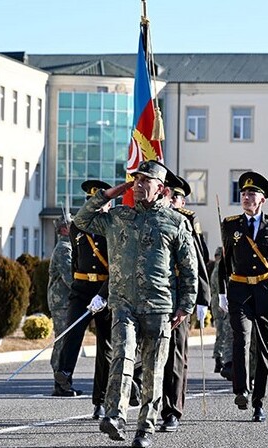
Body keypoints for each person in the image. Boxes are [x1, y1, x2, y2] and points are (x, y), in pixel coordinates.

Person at [74, 160, 198, 448]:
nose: (140, 185)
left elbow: (189, 270)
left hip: (158, 306)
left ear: (162, 188)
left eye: (146, 181)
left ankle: (145, 429)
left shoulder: (176, 222)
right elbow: (81, 221)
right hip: (124, 304)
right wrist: (111, 193)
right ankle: (116, 417)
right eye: (137, 180)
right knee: (122, 357)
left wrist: (186, 305)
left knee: (154, 370)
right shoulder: (118, 216)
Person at [217, 171, 268, 423]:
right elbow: (225, 263)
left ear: (262, 199)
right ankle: (241, 390)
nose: (246, 197)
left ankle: (259, 401)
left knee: (265, 349)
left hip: (266, 293)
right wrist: (221, 293)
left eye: (252, 193)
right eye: (244, 193)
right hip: (239, 291)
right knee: (241, 339)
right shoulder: (230, 225)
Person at [53, 180, 115, 418]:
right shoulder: (78, 227)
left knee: (105, 347)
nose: (97, 207)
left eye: (101, 203)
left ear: (109, 205)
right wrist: (77, 286)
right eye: (92, 202)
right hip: (81, 287)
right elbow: (76, 260)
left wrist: (104, 294)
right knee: (72, 331)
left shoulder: (113, 227)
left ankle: (100, 400)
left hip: (104, 289)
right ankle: (64, 374)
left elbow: (116, 266)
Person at [160, 174, 212, 433]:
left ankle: (171, 410)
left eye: (177, 197)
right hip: (153, 293)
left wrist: (203, 298)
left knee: (175, 355)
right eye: (168, 194)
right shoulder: (154, 218)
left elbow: (199, 261)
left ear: (183, 201)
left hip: (180, 295)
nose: (172, 200)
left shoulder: (189, 222)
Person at [47, 215, 73, 397]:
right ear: (64, 229)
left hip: (65, 302)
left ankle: (65, 381)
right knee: (62, 341)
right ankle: (60, 382)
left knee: (66, 341)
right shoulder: (64, 249)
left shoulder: (69, 247)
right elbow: (70, 278)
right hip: (61, 302)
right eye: (71, 225)